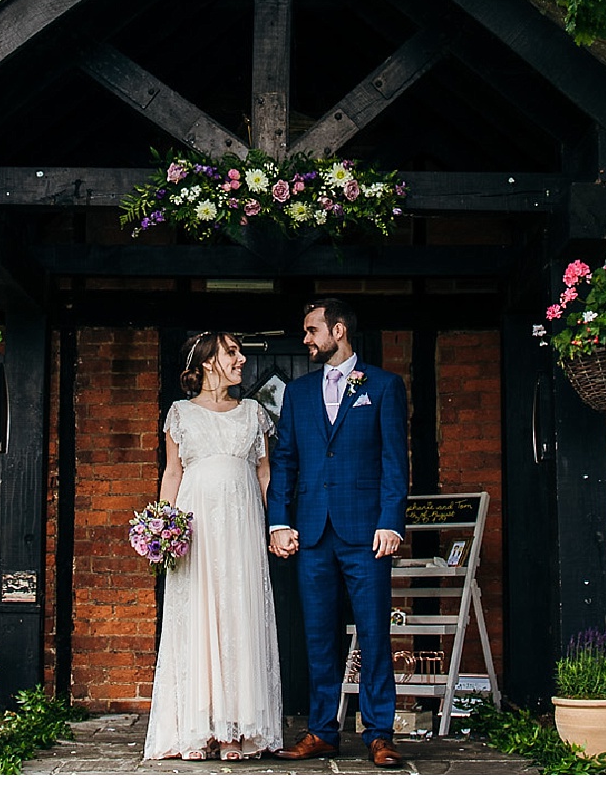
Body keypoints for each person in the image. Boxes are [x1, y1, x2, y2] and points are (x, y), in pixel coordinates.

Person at [267, 299, 409, 769]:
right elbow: (285, 459)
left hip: (366, 531)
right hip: (312, 532)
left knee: (373, 633)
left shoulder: (384, 386)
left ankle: (379, 732)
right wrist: (279, 521)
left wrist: (391, 521)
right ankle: (323, 730)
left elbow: (394, 460)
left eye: (312, 331)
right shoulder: (298, 393)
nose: (305, 339)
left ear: (339, 330)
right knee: (318, 635)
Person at [143, 331, 284, 761]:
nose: (241, 360)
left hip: (240, 531)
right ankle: (199, 727)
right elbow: (172, 473)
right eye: (232, 353)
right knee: (200, 617)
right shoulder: (180, 414)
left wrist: (276, 524)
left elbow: (264, 474)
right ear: (207, 363)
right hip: (197, 529)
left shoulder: (253, 415)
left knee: (239, 616)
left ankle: (236, 728)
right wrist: (161, 528)